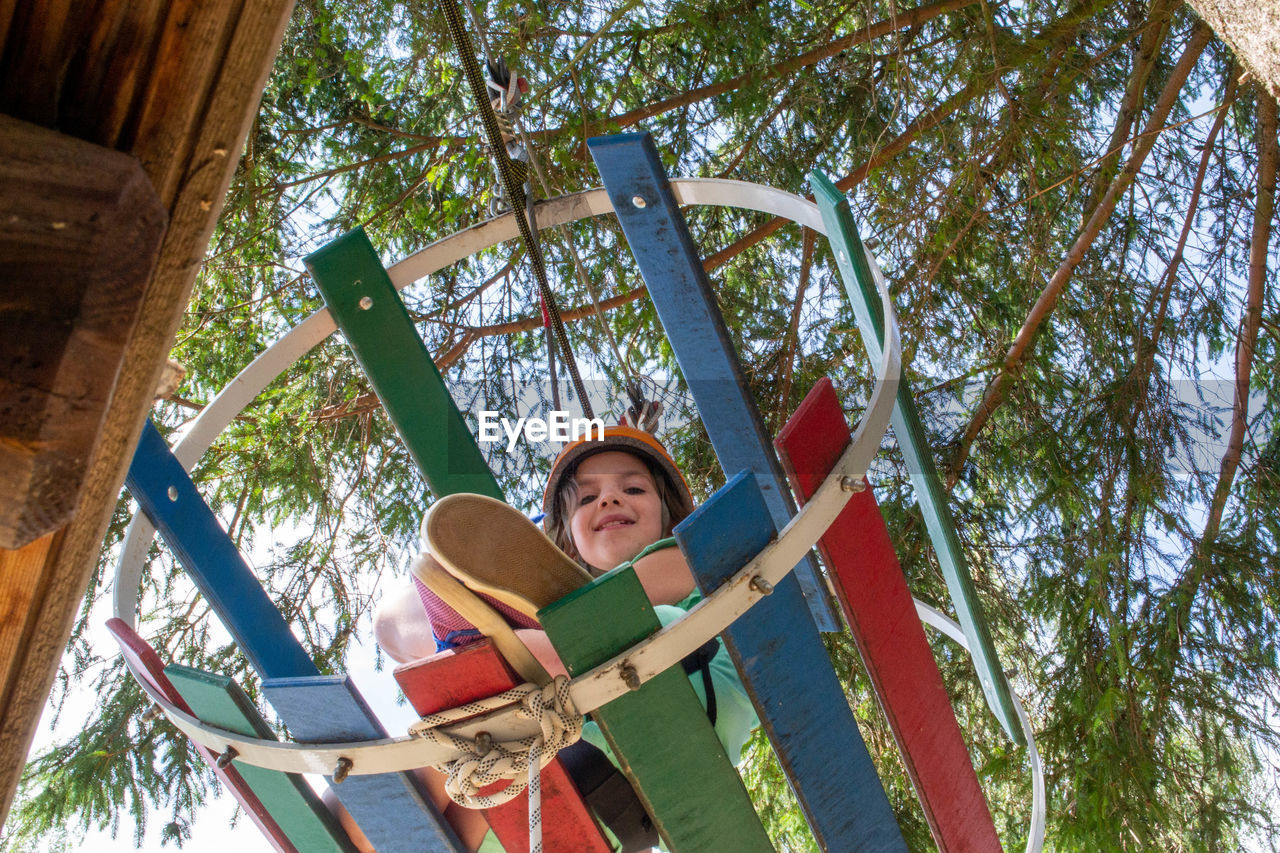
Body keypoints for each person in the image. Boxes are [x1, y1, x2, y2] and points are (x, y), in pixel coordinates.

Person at [364, 424, 758, 851]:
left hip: (653, 746)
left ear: (672, 519)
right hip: (551, 768)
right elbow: (391, 622)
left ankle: (483, 643)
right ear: (568, 544)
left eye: (635, 489)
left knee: (638, 624)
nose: (609, 498)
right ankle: (479, 642)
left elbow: (609, 625)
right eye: (587, 498)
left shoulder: (691, 561)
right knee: (443, 758)